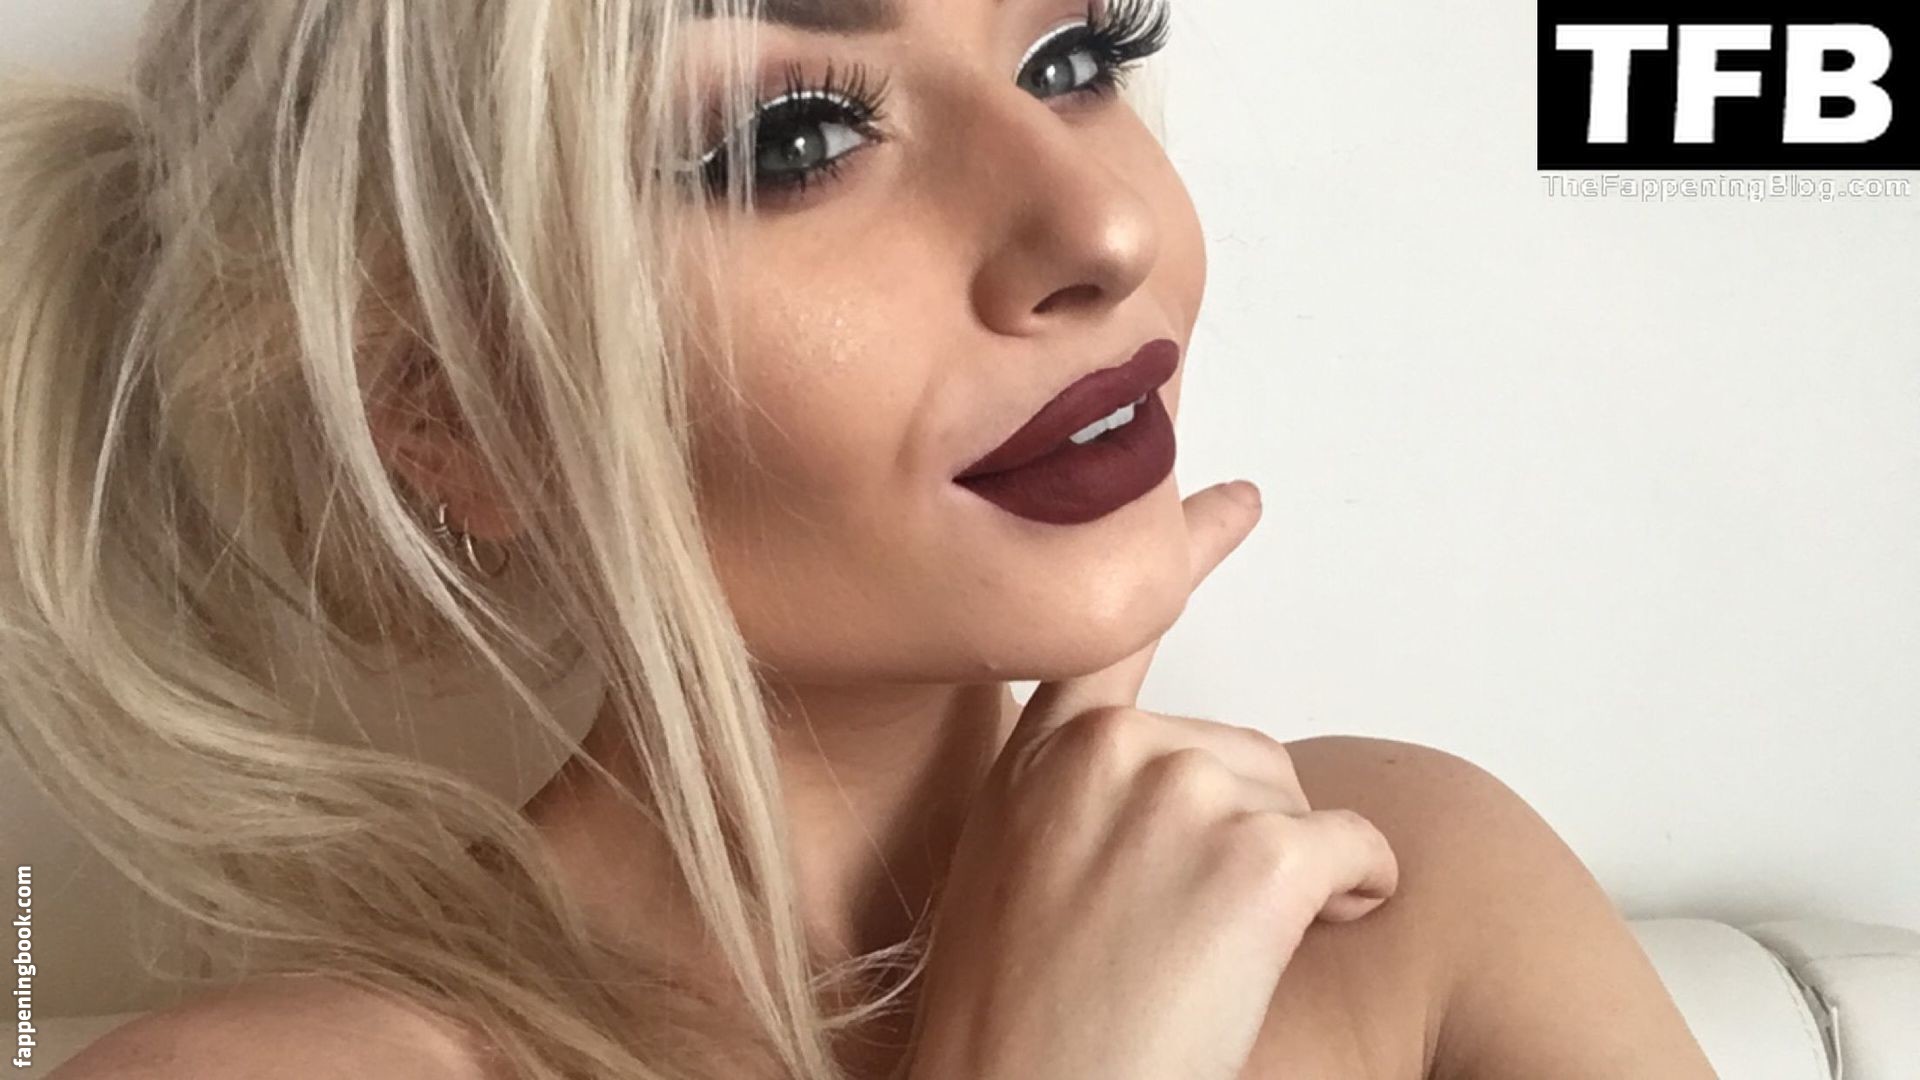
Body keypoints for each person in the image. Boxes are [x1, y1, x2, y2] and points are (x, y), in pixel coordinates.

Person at [0, 1, 1716, 1077]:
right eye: (797, 138)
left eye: (1075, 56)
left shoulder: (1403, 901)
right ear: (458, 415)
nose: (1102, 224)